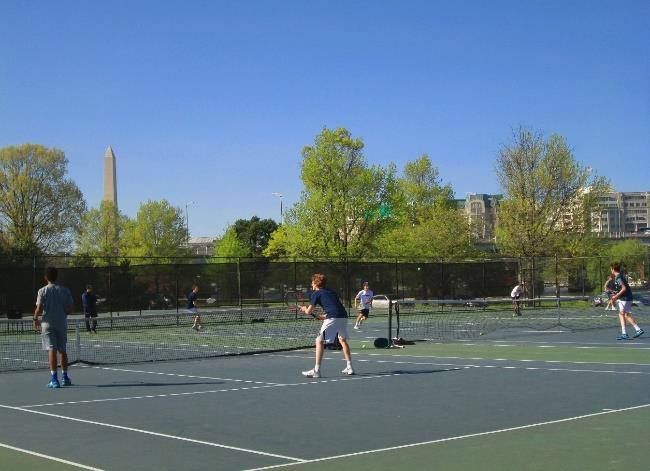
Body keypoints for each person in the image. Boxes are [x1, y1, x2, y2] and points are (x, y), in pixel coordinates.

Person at [300, 273, 354, 378]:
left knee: (319, 341)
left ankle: (316, 370)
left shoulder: (316, 293)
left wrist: (304, 309)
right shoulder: (332, 292)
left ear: (316, 283)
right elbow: (335, 307)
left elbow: (308, 311)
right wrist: (324, 316)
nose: (311, 284)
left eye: (312, 282)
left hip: (333, 317)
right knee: (342, 340)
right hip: (343, 316)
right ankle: (349, 367)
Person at [34, 267, 75, 389]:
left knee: (51, 349)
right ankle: (65, 377)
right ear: (57, 277)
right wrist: (63, 313)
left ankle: (54, 380)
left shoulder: (42, 291)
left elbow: (39, 308)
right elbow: (71, 308)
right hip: (61, 323)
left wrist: (35, 319)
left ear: (45, 278)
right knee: (62, 350)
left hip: (47, 325)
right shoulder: (65, 290)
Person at [610, 262, 644, 340]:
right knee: (625, 314)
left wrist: (616, 296)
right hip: (626, 298)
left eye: (611, 269)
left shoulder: (618, 277)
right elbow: (622, 288)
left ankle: (626, 333)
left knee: (623, 314)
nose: (610, 270)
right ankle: (635, 330)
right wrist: (616, 294)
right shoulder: (619, 276)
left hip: (625, 298)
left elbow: (624, 288)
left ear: (613, 269)